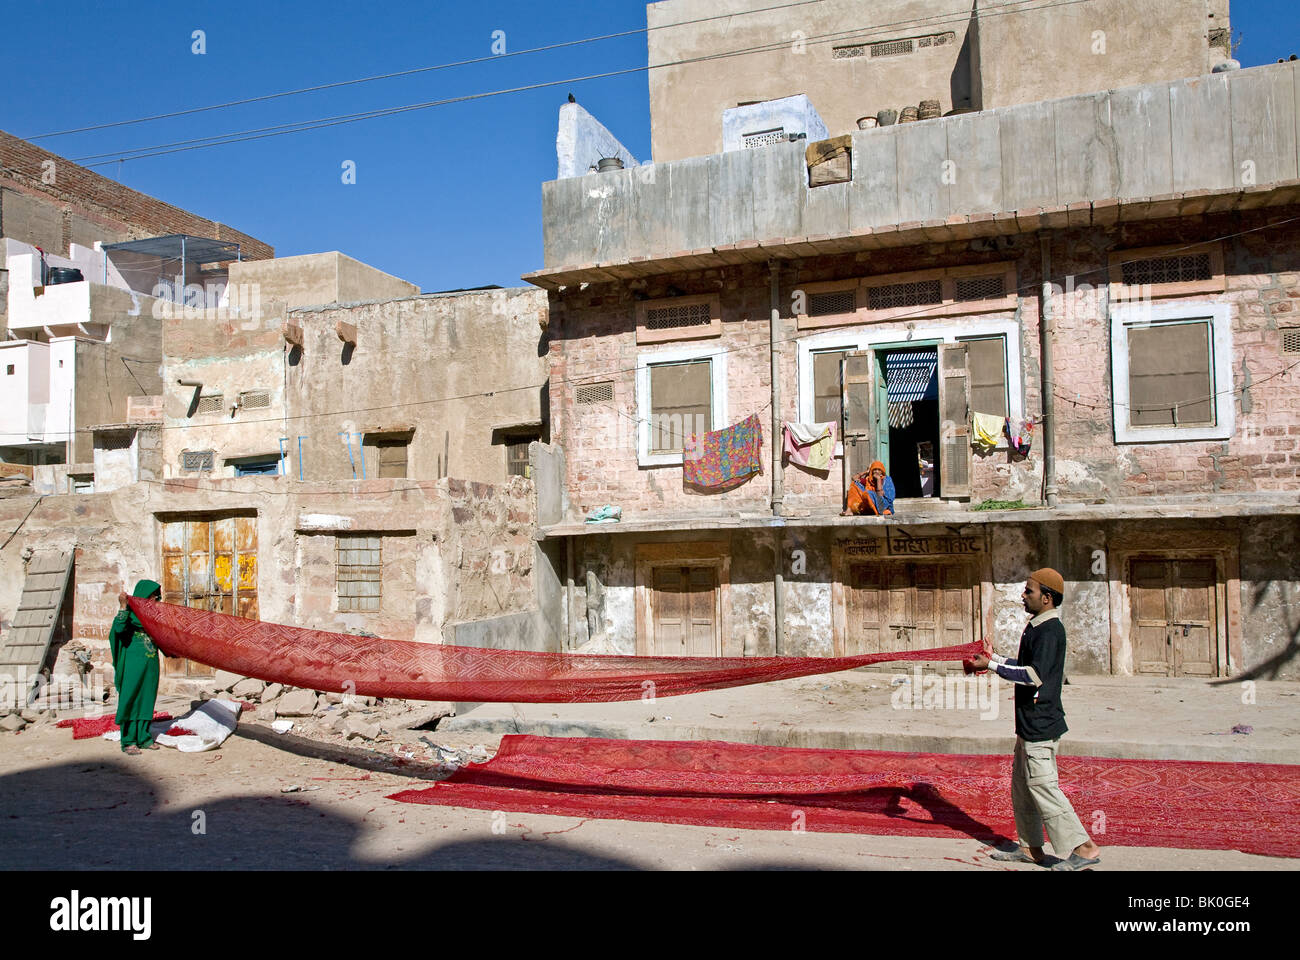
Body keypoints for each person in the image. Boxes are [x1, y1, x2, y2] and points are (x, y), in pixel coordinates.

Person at [967, 568, 1102, 871]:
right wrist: (996, 659)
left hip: (1041, 725)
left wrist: (991, 667)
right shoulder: (1036, 626)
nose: (1023, 595)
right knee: (1023, 787)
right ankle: (1031, 848)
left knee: (1043, 787)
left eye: (1029, 591)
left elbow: (1032, 676)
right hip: (1028, 725)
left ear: (1047, 597)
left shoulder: (1050, 630)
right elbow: (1024, 664)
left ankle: (1085, 847)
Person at [110, 579, 164, 756]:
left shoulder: (152, 619)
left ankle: (144, 737)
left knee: (147, 699)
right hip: (133, 664)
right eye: (152, 597)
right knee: (130, 699)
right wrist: (123, 606)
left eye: (156, 597)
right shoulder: (129, 617)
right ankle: (129, 741)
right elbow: (118, 630)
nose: (155, 600)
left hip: (150, 664)